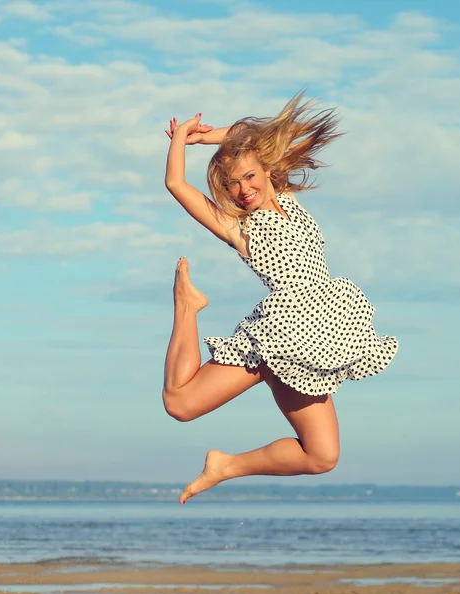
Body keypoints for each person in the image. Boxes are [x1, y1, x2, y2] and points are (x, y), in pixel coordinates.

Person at [162, 93, 398, 504]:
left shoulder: (287, 198)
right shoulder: (241, 228)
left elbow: (247, 136)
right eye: (232, 183)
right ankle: (187, 305)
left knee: (322, 456)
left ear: (266, 170)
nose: (243, 189)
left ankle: (226, 466)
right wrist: (180, 140)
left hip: (320, 331)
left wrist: (209, 138)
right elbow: (176, 184)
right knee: (180, 403)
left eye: (249, 177)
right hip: (280, 335)